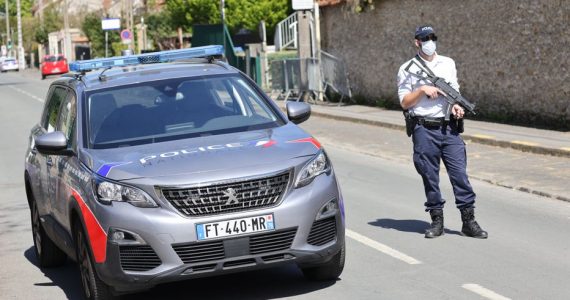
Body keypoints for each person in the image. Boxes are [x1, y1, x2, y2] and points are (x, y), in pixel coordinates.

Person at [396, 25, 488, 239]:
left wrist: (456, 106)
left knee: (460, 175)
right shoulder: (407, 68)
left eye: (432, 37)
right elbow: (404, 102)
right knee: (430, 176)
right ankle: (437, 221)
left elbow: (453, 92)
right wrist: (421, 90)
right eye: (424, 38)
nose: (429, 41)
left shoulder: (447, 63)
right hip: (423, 129)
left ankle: (468, 221)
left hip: (449, 129)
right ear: (416, 42)